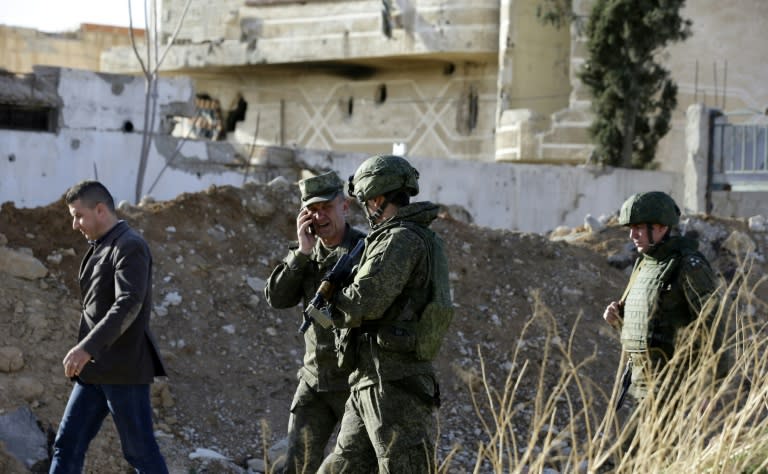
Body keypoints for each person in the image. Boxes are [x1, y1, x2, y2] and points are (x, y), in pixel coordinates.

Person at [318, 155, 450, 473]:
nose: (366, 209)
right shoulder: (387, 239)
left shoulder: (401, 240)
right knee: (340, 468)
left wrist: (329, 305)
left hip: (394, 384)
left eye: (366, 201)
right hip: (369, 378)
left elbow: (365, 302)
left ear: (377, 198)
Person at [50, 181, 168, 474]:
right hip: (95, 369)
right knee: (67, 445)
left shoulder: (129, 245)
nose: (75, 224)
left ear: (100, 210)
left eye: (78, 215)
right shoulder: (102, 245)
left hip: (123, 370)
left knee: (140, 453)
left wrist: (86, 347)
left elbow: (129, 303)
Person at [265, 171, 366, 474]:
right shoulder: (307, 254)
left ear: (344, 207)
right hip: (315, 380)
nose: (319, 216)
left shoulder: (365, 249)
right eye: (312, 210)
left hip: (354, 381)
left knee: (354, 465)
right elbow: (278, 298)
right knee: (298, 463)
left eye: (326, 208)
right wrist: (302, 252)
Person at [603, 191, 724, 410]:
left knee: (637, 445)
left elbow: (715, 326)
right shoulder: (644, 265)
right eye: (631, 229)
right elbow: (647, 326)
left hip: (674, 386)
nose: (632, 235)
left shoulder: (688, 265)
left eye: (639, 228)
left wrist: (710, 387)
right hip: (642, 383)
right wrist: (617, 319)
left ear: (661, 227)